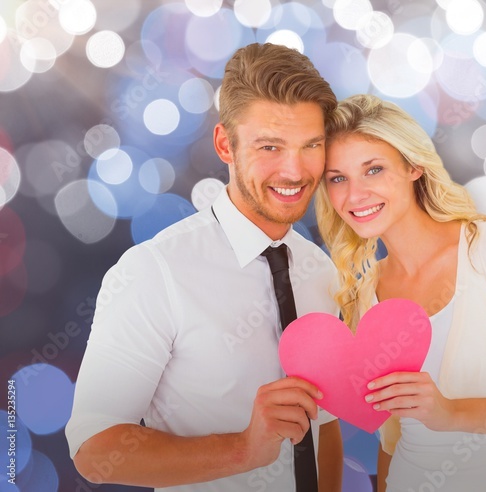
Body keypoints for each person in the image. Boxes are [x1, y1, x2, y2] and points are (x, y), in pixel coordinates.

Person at [66, 43, 344, 491]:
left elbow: (324, 424)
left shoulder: (321, 271)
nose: (294, 170)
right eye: (270, 146)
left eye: (311, 145)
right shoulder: (154, 271)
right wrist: (244, 449)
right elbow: (94, 449)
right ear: (224, 145)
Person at [315, 94, 486, 491]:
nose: (354, 195)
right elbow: (391, 435)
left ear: (413, 167)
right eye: (337, 178)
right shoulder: (365, 294)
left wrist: (451, 413)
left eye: (373, 170)